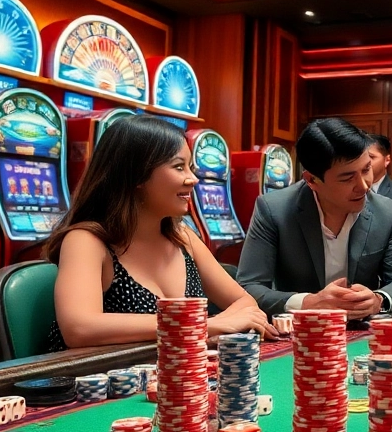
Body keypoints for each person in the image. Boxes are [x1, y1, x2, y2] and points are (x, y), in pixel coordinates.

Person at [44, 116, 276, 350]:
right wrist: (205, 325)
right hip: (96, 381)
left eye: (191, 168)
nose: (193, 179)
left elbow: (245, 302)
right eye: (178, 167)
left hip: (171, 376)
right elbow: (79, 328)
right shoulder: (87, 240)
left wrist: (217, 324)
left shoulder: (183, 237)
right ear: (136, 175)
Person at [237, 118, 392, 318]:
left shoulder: (388, 211)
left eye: (366, 170)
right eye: (347, 178)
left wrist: (378, 300)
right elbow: (249, 286)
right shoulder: (273, 210)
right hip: (301, 334)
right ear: (312, 180)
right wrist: (308, 302)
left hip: (362, 332)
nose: (364, 186)